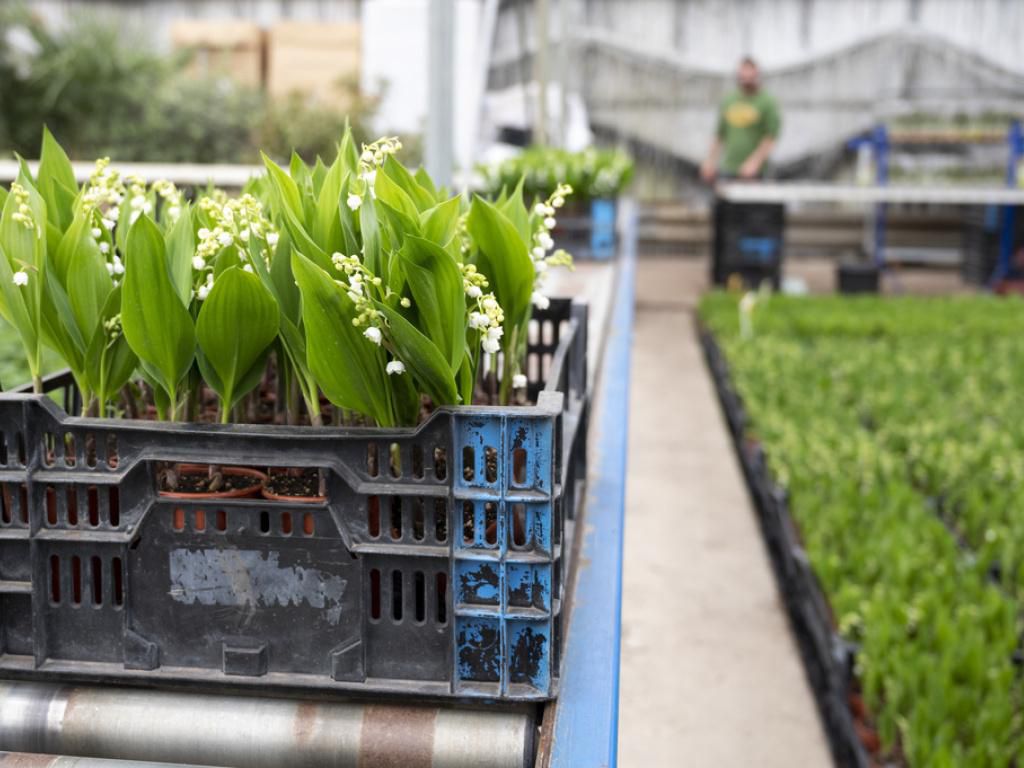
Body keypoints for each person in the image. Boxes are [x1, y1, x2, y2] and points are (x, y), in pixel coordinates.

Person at [701, 57, 780, 182]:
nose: (746, 79)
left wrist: (754, 163)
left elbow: (771, 137)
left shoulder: (767, 102)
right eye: (743, 75)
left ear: (757, 75)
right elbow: (719, 135)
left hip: (756, 173)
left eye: (750, 75)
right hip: (729, 168)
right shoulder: (729, 100)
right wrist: (710, 161)